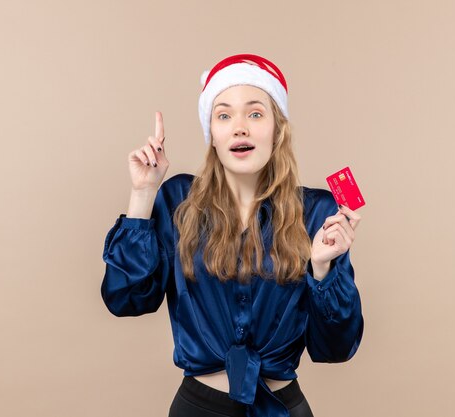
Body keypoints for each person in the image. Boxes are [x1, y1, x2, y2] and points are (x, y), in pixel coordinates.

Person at [101, 53, 364, 417]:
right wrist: (143, 195)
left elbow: (335, 349)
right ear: (213, 134)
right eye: (224, 115)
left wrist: (321, 271)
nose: (239, 127)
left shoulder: (318, 211)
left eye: (255, 114)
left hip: (281, 407)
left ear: (277, 128)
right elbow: (126, 301)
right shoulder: (178, 199)